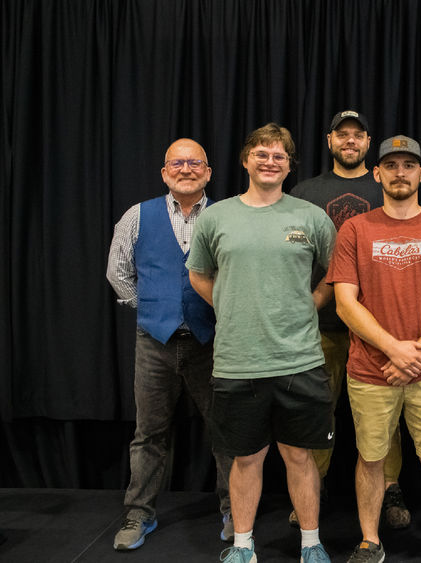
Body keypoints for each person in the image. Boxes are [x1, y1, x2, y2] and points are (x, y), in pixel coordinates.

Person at [186, 123, 337, 563]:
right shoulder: (216, 218)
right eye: (262, 153)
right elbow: (198, 275)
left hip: (299, 359)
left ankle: (311, 543)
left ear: (290, 165)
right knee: (246, 460)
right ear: (245, 160)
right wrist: (232, 304)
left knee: (300, 456)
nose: (270, 162)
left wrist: (312, 302)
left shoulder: (311, 217)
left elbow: (334, 274)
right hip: (238, 361)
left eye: (279, 156)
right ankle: (243, 546)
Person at [327, 135, 421, 563]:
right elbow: (344, 302)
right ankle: (370, 541)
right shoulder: (355, 229)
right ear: (378, 174)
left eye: (409, 165)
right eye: (391, 165)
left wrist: (418, 354)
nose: (400, 172)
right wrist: (395, 350)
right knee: (371, 459)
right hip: (371, 370)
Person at [106, 138, 232, 551]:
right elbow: (118, 273)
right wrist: (157, 307)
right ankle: (138, 513)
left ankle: (234, 510)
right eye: (177, 163)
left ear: (208, 172)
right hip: (154, 342)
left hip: (212, 342)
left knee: (226, 431)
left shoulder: (228, 216)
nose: (186, 169)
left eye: (195, 163)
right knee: (148, 434)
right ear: (164, 172)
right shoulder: (136, 217)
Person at [290, 110, 410, 530]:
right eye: (342, 135)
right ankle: (313, 487)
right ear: (329, 141)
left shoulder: (387, 188)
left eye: (358, 136)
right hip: (320, 324)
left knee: (385, 412)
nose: (350, 141)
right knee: (318, 409)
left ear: (368, 143)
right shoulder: (306, 191)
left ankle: (391, 486)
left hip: (379, 327)